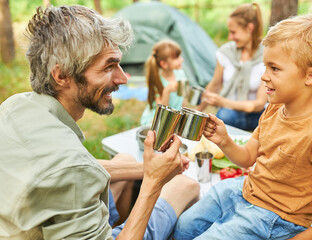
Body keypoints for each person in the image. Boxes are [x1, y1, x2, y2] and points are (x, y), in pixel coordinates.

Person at [0, 5, 199, 239]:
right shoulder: (71, 168)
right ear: (62, 75)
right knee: (186, 186)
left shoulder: (14, 106)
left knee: (125, 160)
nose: (123, 78)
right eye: (109, 66)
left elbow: (69, 171)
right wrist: (154, 181)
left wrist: (145, 169)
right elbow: (71, 170)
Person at [174, 6, 312, 240]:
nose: (264, 75)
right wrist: (224, 140)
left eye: (274, 68)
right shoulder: (273, 109)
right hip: (245, 190)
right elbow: (247, 157)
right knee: (183, 227)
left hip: (274, 219)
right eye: (265, 66)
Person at [197, 2, 267, 131]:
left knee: (271, 118)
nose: (230, 37)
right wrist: (196, 114)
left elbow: (259, 104)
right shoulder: (225, 53)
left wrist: (223, 102)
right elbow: (214, 85)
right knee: (224, 115)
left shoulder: (266, 56)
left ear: (249, 28)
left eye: (233, 32)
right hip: (230, 113)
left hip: (257, 115)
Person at [140, 40, 187, 126]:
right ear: (164, 64)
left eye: (180, 56)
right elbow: (162, 114)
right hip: (157, 119)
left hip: (173, 118)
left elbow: (183, 100)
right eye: (176, 58)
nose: (181, 59)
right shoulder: (157, 80)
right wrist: (167, 91)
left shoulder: (180, 74)